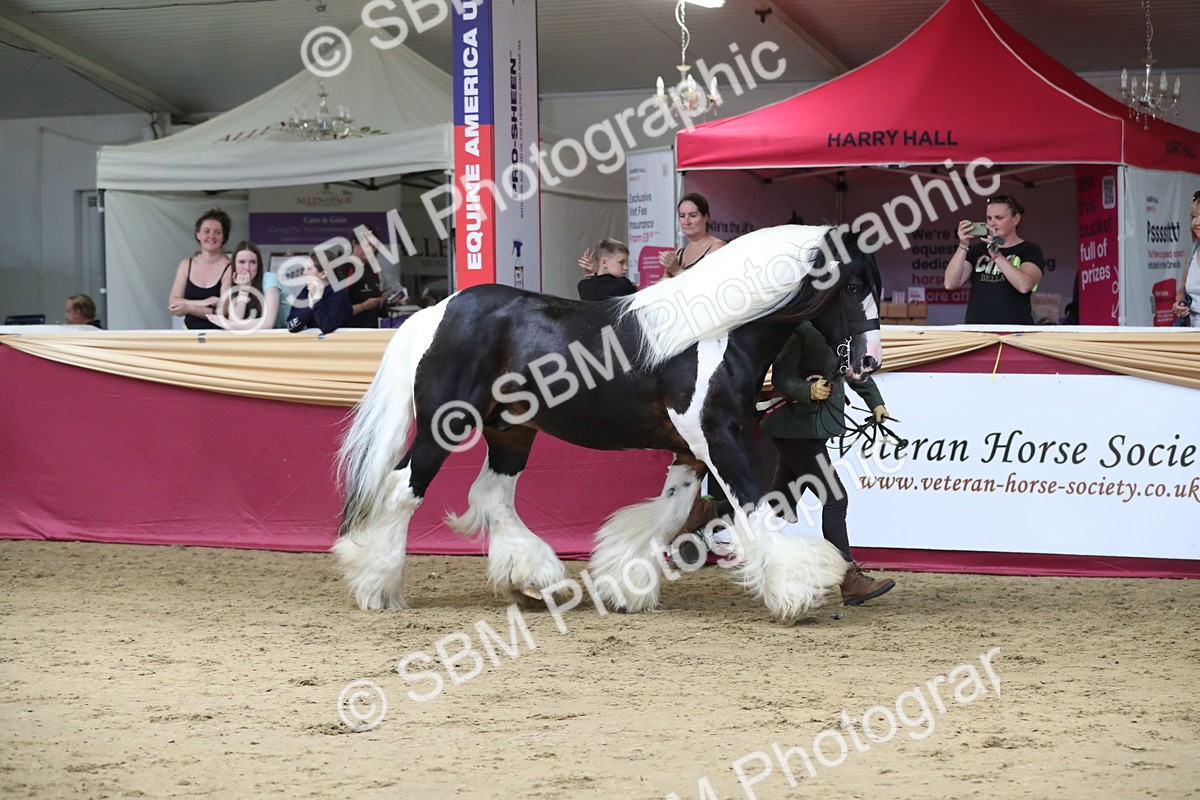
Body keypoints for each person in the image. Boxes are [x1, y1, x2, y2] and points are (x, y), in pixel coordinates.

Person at [759, 321, 896, 606]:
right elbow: (782, 378)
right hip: (794, 430)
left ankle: (707, 514)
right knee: (835, 499)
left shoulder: (840, 329)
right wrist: (806, 390)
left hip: (814, 429)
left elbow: (854, 369)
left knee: (779, 503)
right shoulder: (799, 330)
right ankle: (848, 579)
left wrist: (875, 403)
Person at [944, 194, 1045, 324]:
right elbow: (950, 283)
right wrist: (963, 245)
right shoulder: (978, 250)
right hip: (978, 332)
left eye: (999, 218)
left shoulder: (1029, 250)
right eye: (989, 218)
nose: (992, 223)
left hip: (1014, 332)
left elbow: (1024, 285)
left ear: (1016, 219)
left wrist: (997, 255)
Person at [168, 209, 233, 330]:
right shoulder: (186, 264)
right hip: (189, 334)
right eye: (206, 231)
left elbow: (223, 310)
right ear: (198, 234)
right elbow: (173, 303)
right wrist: (203, 302)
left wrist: (189, 308)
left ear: (224, 237)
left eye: (217, 232)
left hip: (219, 336)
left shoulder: (229, 267)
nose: (211, 236)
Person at [206, 241, 282, 331]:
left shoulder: (269, 279)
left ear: (259, 265)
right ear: (234, 265)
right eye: (241, 262)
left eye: (253, 262)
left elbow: (268, 323)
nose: (247, 267)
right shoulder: (234, 282)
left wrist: (227, 323)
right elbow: (235, 322)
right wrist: (243, 290)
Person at [658, 193, 726, 278]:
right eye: (682, 216)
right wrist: (668, 272)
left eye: (693, 216)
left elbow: (710, 284)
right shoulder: (679, 253)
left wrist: (676, 270)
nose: (686, 222)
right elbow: (663, 287)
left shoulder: (718, 247)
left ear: (706, 217)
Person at [286, 252, 352, 334]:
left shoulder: (339, 294)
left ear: (323, 274)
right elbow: (291, 326)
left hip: (337, 344)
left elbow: (327, 327)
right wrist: (309, 307)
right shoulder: (306, 291)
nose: (304, 272)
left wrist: (316, 300)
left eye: (309, 269)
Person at [340, 226, 387, 328]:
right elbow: (337, 309)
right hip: (349, 331)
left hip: (372, 329)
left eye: (373, 246)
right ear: (354, 243)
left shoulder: (373, 268)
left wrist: (381, 300)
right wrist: (363, 306)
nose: (371, 250)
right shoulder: (345, 268)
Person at [1172, 192, 1200, 327]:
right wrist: (1180, 305)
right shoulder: (1194, 248)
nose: (1197, 222)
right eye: (1194, 217)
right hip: (1192, 332)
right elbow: (1182, 290)